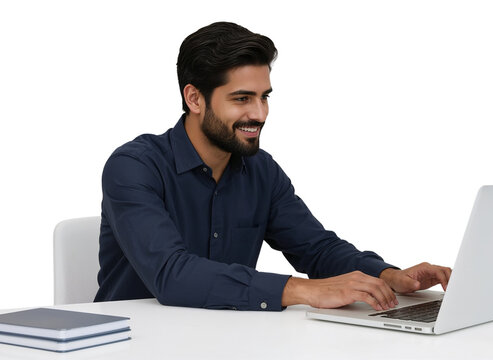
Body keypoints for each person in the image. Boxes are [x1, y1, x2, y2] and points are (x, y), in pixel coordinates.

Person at [95, 21, 451, 312]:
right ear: (194, 98)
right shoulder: (133, 167)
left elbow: (317, 248)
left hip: (224, 342)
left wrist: (389, 275)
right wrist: (303, 290)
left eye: (263, 97)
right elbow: (172, 275)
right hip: (130, 344)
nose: (259, 114)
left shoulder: (261, 171)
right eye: (242, 99)